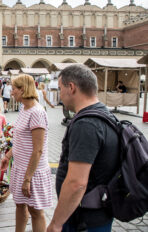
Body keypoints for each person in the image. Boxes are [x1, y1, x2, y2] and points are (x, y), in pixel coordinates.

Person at [47, 64, 120, 232]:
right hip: (97, 214)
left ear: (71, 87)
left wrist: (56, 224)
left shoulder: (86, 124)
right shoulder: (104, 114)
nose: (60, 95)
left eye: (60, 88)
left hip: (84, 220)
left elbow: (76, 183)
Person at [1, 74, 52, 232]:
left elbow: (38, 150)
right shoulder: (24, 108)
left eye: (14, 89)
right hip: (20, 167)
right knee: (20, 205)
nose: (11, 92)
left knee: (35, 212)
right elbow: (20, 139)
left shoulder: (37, 112)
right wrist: (8, 155)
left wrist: (28, 179)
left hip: (32, 172)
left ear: (23, 90)